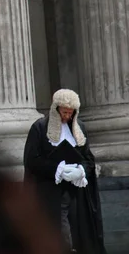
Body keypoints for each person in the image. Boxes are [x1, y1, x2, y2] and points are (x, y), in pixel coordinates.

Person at [23, 88, 107, 253]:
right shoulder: (40, 128)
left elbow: (88, 158)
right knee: (61, 233)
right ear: (56, 109)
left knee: (79, 232)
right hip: (50, 193)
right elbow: (32, 160)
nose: (67, 116)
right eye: (64, 112)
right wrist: (57, 169)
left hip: (77, 193)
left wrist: (81, 170)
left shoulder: (79, 127)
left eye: (70, 113)